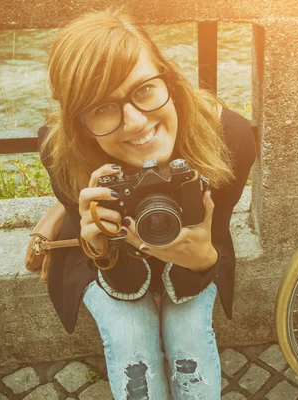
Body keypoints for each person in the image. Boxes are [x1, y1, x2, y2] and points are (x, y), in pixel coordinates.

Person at [39, 9, 255, 399]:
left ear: (169, 78)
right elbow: (122, 281)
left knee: (188, 332)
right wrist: (104, 252)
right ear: (78, 126)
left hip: (195, 254)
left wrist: (203, 260)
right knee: (129, 336)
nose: (136, 122)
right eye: (102, 108)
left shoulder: (230, 138)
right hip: (107, 262)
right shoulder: (62, 154)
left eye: (144, 89)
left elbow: (212, 239)